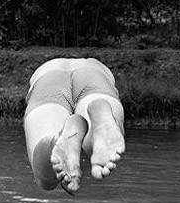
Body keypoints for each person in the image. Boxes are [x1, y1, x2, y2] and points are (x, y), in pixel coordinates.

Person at [23, 58, 125, 194]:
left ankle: (54, 143)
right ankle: (96, 129)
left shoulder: (46, 68)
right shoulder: (97, 66)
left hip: (48, 77)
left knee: (46, 179)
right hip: (95, 74)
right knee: (97, 130)